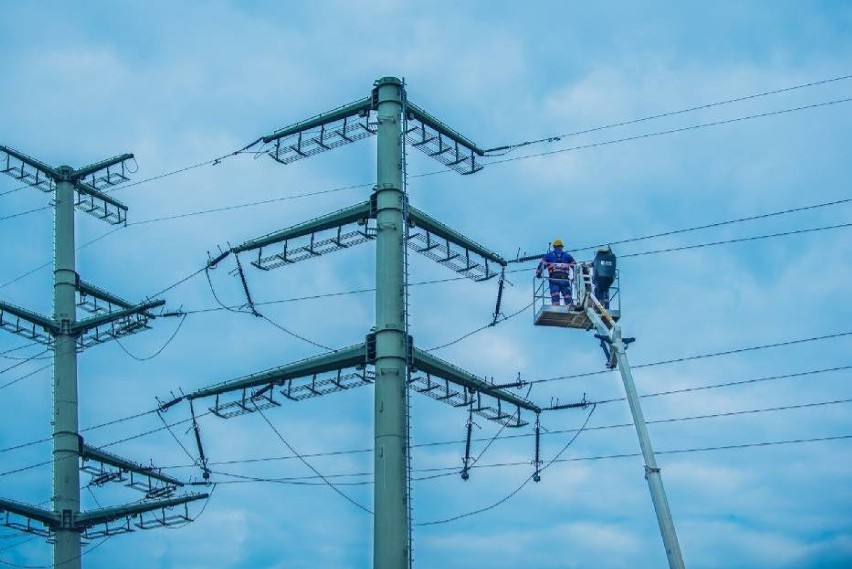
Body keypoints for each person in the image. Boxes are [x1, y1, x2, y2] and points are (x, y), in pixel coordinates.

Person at [536, 239, 576, 306]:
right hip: (565, 279)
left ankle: (556, 306)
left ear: (554, 247)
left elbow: (541, 266)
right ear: (562, 247)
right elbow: (575, 266)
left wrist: (538, 274)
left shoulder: (549, 255)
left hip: (554, 279)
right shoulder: (567, 256)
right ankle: (570, 305)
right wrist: (575, 277)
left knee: (555, 295)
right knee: (567, 295)